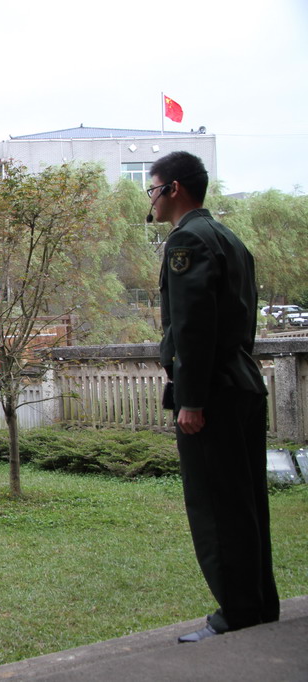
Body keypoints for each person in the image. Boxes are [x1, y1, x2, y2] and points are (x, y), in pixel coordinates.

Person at [149, 151, 278, 643]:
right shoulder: (228, 237)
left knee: (217, 506)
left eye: (153, 189)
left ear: (174, 189)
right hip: (242, 384)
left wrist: (192, 400)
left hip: (214, 395)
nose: (151, 200)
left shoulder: (187, 240)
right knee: (246, 503)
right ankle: (259, 604)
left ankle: (237, 613)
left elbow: (193, 326)